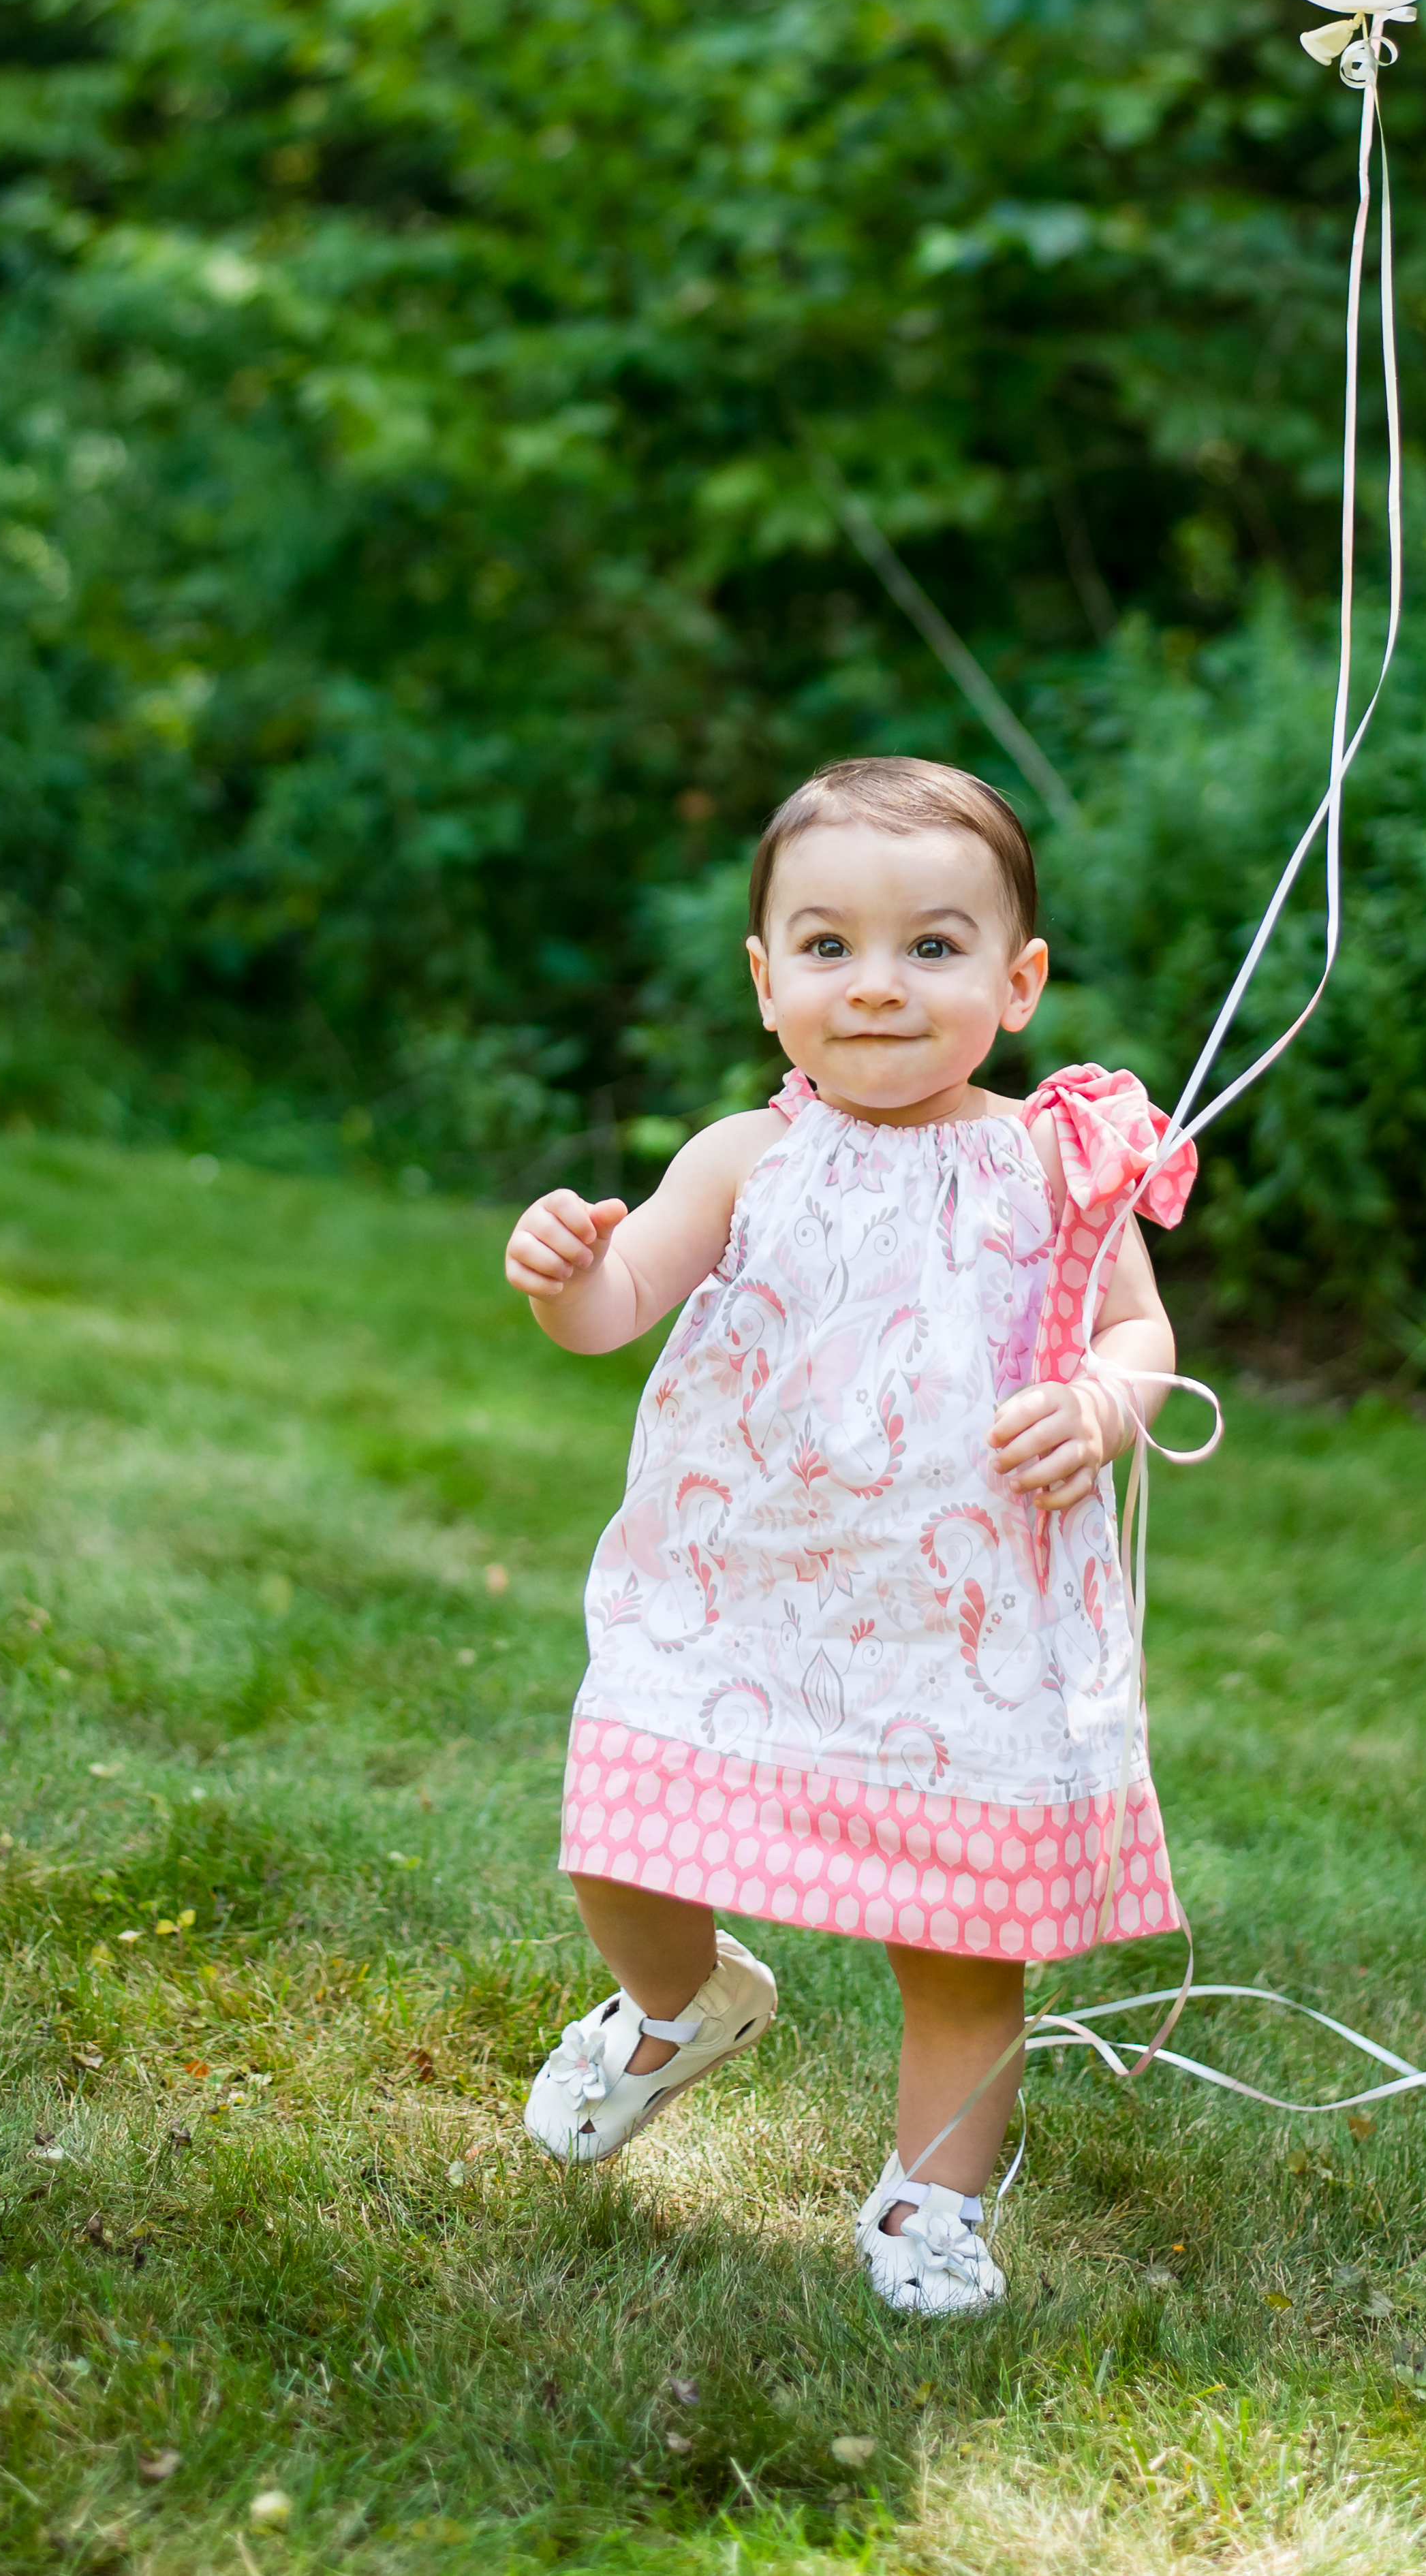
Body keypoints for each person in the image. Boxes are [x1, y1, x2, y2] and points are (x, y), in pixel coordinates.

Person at [501, 751, 1194, 2316]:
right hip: (739, 1589)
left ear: (1015, 982)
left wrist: (1095, 1404)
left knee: (959, 1941)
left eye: (930, 948)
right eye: (827, 947)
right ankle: (677, 2007)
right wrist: (560, 1271)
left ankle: (929, 2202)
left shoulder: (1046, 1164)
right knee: (619, 1827)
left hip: (960, 1616)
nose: (876, 986)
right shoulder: (743, 1159)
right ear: (764, 982)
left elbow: (1138, 1334)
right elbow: (614, 1309)